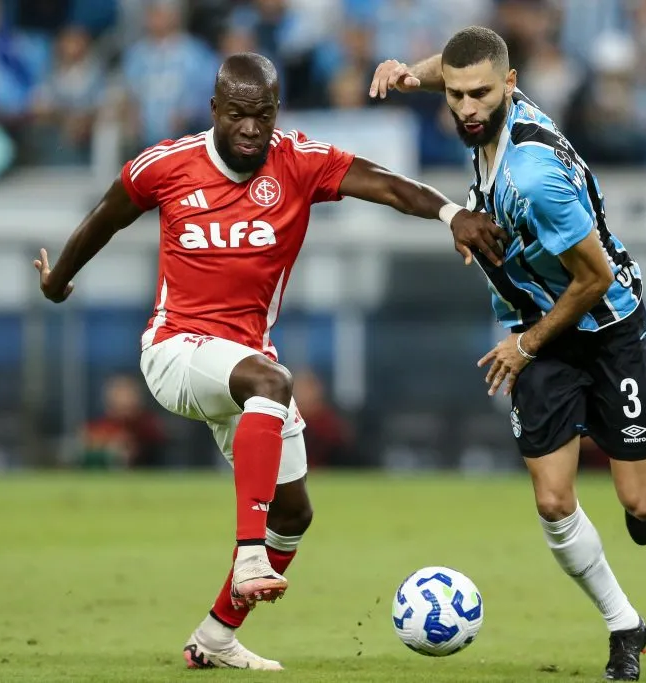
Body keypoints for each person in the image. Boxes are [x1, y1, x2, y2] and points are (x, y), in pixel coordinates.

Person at [32, 52, 502, 671]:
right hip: (174, 350)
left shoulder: (298, 163)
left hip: (246, 363)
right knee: (272, 382)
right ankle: (248, 551)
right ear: (214, 112)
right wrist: (58, 282)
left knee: (294, 512)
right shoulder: (167, 165)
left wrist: (452, 212)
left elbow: (387, 184)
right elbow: (105, 219)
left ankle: (216, 636)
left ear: (276, 112)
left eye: (263, 115)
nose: (251, 128)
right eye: (238, 116)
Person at [369, 27, 646, 682]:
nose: (467, 107)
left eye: (480, 94)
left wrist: (526, 344)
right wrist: (405, 74)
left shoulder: (533, 178)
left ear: (510, 87)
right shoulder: (480, 106)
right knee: (555, 500)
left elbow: (593, 279)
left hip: (604, 323)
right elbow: (455, 67)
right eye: (455, 95)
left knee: (641, 505)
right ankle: (625, 624)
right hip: (531, 321)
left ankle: (640, 463)